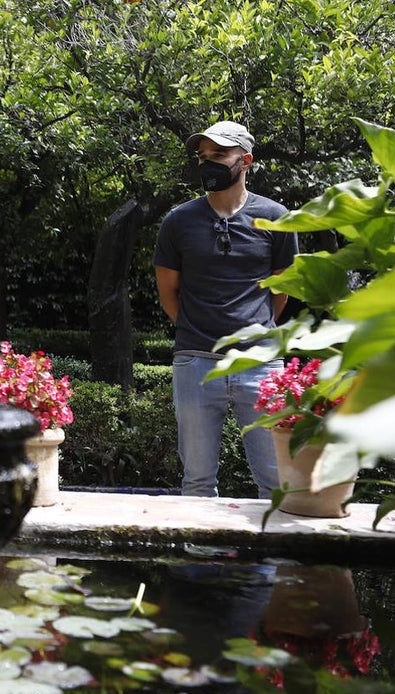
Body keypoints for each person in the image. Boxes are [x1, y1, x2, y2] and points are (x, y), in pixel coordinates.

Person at [153, 121, 298, 498]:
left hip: (261, 365)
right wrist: (195, 330)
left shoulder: (277, 218)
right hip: (195, 363)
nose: (208, 164)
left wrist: (254, 329)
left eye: (219, 155)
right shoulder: (178, 221)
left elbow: (281, 290)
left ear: (245, 160)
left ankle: (272, 559)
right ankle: (200, 559)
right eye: (203, 157)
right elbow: (169, 290)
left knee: (274, 483)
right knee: (197, 482)